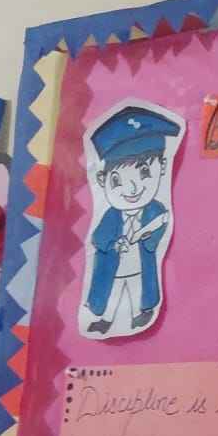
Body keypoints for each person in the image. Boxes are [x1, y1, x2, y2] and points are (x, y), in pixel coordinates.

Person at [84, 104, 181, 335]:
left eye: (144, 172)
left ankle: (139, 314)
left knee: (138, 288)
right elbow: (99, 237)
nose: (132, 188)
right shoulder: (111, 215)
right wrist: (114, 243)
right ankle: (106, 319)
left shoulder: (156, 210)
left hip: (140, 264)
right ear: (103, 179)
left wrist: (148, 236)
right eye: (117, 180)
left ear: (162, 167)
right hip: (115, 267)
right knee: (115, 290)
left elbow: (160, 230)